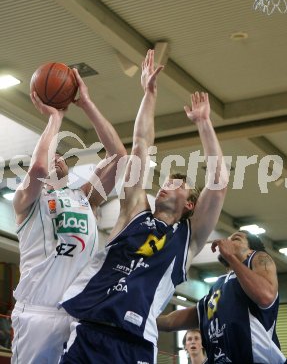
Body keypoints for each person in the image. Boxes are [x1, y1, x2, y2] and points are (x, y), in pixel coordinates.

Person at [59, 49, 228, 364]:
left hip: (135, 343)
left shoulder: (189, 239)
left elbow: (218, 185)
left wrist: (204, 123)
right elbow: (140, 146)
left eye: (177, 184)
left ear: (190, 203)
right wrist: (148, 93)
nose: (165, 184)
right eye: (164, 181)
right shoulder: (133, 211)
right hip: (89, 328)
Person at [11, 68, 126, 364]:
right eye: (50, 155)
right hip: (37, 313)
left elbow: (119, 157)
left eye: (59, 155)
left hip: (78, 314)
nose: (55, 158)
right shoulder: (27, 201)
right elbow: (38, 169)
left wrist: (86, 104)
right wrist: (55, 118)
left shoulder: (85, 196)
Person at [157, 230, 287, 364]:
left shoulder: (258, 258)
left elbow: (265, 296)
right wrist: (143, 322)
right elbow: (170, 322)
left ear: (250, 251)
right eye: (228, 239)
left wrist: (231, 256)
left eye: (236, 239)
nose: (227, 242)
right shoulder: (217, 288)